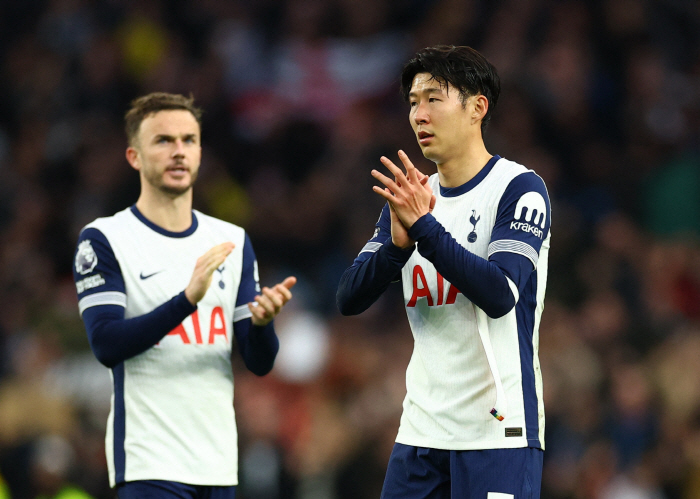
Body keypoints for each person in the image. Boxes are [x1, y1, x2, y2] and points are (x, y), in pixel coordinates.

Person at [337, 45, 551, 498]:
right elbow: (348, 298)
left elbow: (500, 293)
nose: (419, 114)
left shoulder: (519, 188)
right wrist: (397, 247)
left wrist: (425, 230)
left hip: (497, 434)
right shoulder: (411, 200)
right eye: (413, 102)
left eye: (434, 98)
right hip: (422, 432)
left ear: (477, 108)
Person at [72, 92, 296, 498]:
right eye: (163, 141)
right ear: (134, 156)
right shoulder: (105, 238)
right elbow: (106, 343)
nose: (179, 151)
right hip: (148, 462)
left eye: (188, 140)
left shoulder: (232, 240)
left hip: (218, 463)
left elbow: (259, 362)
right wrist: (186, 300)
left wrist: (263, 325)